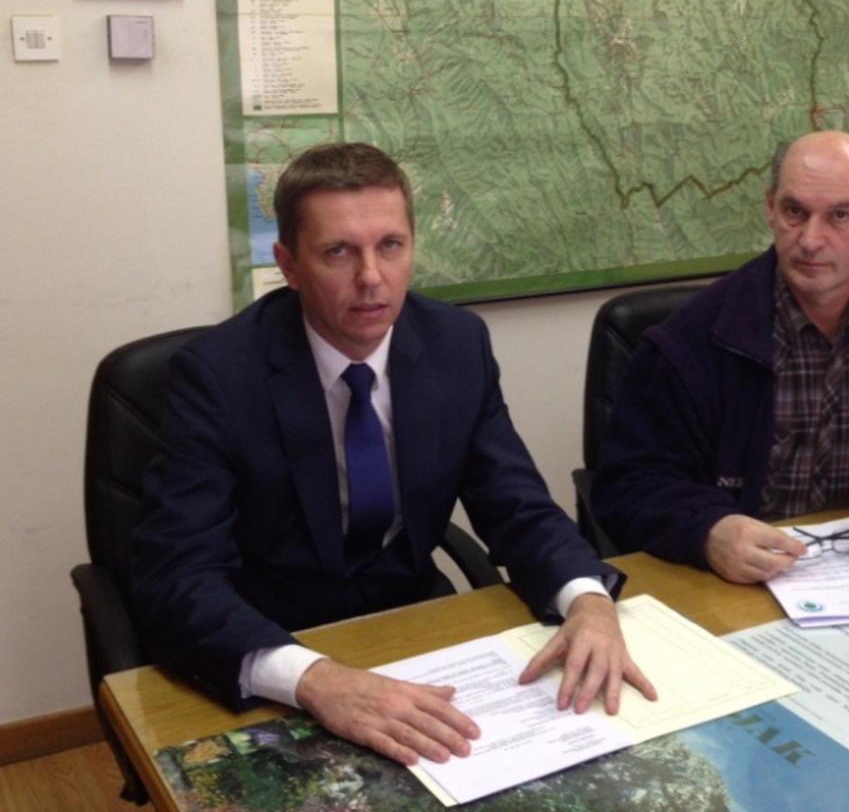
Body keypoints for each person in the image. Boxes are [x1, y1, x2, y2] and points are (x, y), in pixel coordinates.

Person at [132, 142, 654, 767]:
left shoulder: (456, 344)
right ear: (289, 265)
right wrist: (315, 678)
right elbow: (178, 575)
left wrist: (588, 600)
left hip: (413, 622)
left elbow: (517, 506)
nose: (371, 278)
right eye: (338, 252)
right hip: (273, 637)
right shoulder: (218, 376)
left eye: (390, 245)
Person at [593, 130, 849, 584]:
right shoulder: (691, 339)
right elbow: (627, 485)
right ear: (770, 208)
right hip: (740, 583)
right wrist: (708, 531)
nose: (810, 239)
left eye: (839, 215)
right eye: (794, 212)